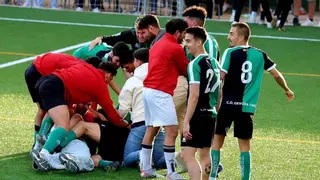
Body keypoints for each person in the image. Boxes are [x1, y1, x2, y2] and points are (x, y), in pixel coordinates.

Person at [210, 22, 294, 180]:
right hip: (246, 108)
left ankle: (212, 177)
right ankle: (245, 179)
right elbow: (276, 75)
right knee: (245, 147)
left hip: (227, 105)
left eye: (231, 34)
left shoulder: (230, 52)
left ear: (241, 37)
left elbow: (220, 77)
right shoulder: (260, 54)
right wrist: (287, 89)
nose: (228, 37)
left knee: (217, 142)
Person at [31, 62, 129, 171]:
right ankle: (47, 152)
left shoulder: (84, 78)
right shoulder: (81, 109)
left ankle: (44, 150)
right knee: (68, 127)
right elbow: (109, 112)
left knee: (52, 115)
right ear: (108, 75)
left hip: (46, 81)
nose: (86, 104)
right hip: (69, 140)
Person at [140, 19, 189, 179]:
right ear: (177, 33)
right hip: (160, 93)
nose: (184, 36)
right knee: (172, 131)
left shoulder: (157, 44)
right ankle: (171, 172)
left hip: (147, 90)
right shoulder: (176, 47)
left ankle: (146, 168)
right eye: (183, 33)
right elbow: (185, 69)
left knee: (150, 130)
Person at [24, 53, 88, 149]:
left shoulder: (78, 65)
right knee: (47, 110)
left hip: (34, 71)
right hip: (38, 75)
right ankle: (38, 144)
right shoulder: (78, 71)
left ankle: (37, 143)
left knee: (43, 110)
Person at [181, 27, 220, 180]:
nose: (186, 44)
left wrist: (186, 121)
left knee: (187, 155)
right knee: (205, 155)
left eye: (188, 41)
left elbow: (194, 95)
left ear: (199, 42)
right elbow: (219, 92)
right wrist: (216, 110)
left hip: (197, 115)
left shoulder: (194, 64)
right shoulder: (215, 62)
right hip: (211, 114)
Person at [118, 48, 166, 169]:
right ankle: (178, 157)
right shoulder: (161, 77)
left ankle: (143, 154)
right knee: (160, 161)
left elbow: (122, 112)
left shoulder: (132, 81)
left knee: (128, 158)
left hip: (140, 125)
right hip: (160, 125)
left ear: (138, 62)